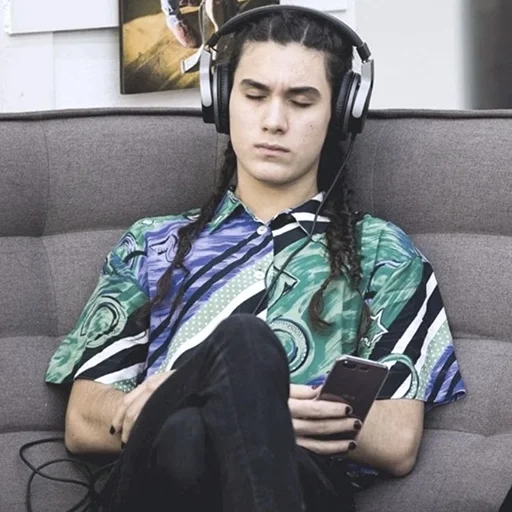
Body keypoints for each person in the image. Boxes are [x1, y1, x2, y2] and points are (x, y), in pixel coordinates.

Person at [45, 6, 466, 511]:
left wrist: (251, 404)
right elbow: (84, 421)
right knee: (191, 422)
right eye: (254, 94)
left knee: (200, 414)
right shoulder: (151, 243)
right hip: (154, 482)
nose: (274, 121)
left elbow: (397, 438)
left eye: (301, 101)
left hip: (304, 485)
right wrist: (231, 394)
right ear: (222, 99)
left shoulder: (383, 252)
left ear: (340, 112)